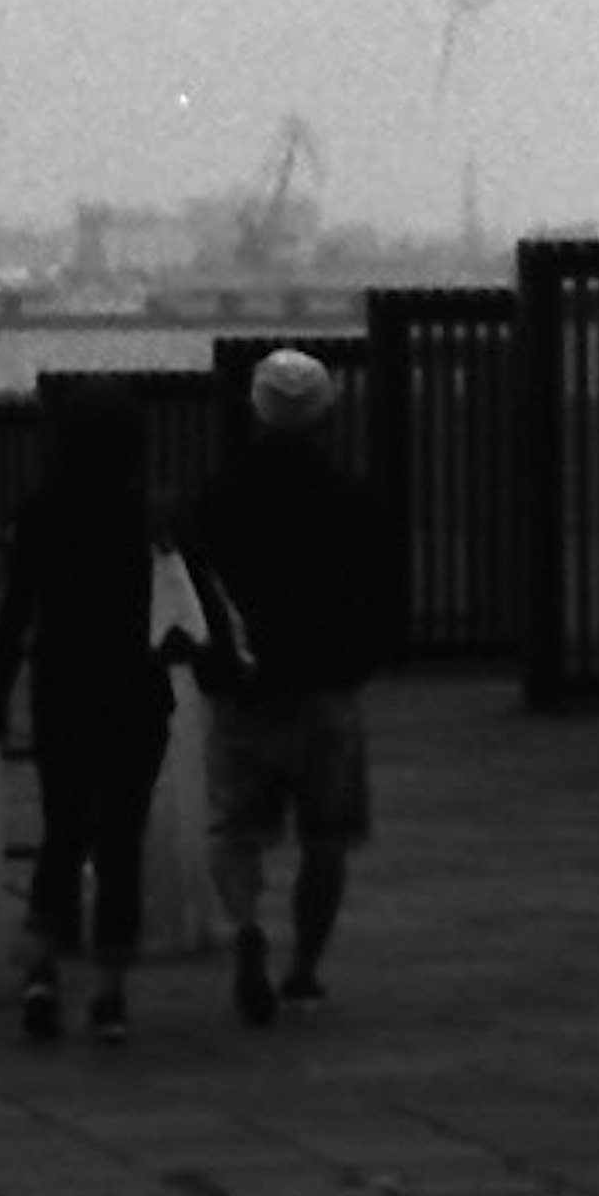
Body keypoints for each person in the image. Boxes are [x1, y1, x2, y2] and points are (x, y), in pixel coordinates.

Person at [172, 341, 387, 1023]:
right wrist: (355, 665)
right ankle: (303, 972)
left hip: (245, 689)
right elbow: (376, 598)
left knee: (234, 830)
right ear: (327, 414)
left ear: (255, 413)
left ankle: (245, 928)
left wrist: (213, 667)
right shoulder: (351, 497)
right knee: (326, 837)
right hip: (326, 690)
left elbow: (192, 589)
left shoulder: (218, 497)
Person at [0, 383, 179, 1046]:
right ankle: (111, 995)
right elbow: (184, 603)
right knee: (120, 839)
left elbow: (13, 617)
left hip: (62, 688)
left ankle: (42, 975)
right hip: (136, 690)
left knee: (62, 833)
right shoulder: (147, 514)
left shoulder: (42, 512)